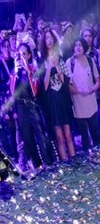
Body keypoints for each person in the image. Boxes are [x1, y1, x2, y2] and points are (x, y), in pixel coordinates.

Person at [11, 42, 52, 176]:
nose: (22, 56)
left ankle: (49, 164)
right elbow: (12, 91)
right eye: (19, 54)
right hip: (21, 108)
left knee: (41, 136)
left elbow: (34, 91)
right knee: (28, 140)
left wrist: (28, 72)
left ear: (28, 55)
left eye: (24, 53)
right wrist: (16, 72)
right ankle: (38, 167)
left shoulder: (33, 69)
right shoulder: (14, 72)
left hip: (32, 105)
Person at [39, 29, 75, 162]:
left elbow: (65, 81)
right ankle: (65, 163)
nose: (49, 40)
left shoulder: (60, 58)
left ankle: (74, 160)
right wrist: (49, 67)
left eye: (50, 37)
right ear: (44, 42)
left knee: (68, 134)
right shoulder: (41, 62)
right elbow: (44, 86)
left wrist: (57, 66)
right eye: (46, 38)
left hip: (62, 99)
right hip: (51, 102)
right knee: (59, 137)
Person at [67, 39, 100, 153]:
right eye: (76, 45)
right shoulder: (69, 63)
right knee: (85, 139)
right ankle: (88, 159)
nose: (78, 47)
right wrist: (80, 91)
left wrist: (92, 89)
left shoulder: (90, 60)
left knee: (96, 134)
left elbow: (98, 82)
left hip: (92, 105)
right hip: (78, 108)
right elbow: (69, 86)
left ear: (84, 47)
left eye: (80, 45)